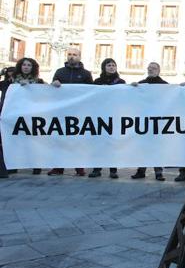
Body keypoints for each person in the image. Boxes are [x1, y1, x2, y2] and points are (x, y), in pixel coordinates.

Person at [48, 48, 93, 176]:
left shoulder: (86, 74)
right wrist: (54, 83)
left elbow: (90, 92)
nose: (71, 57)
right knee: (59, 139)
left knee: (77, 140)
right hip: (61, 111)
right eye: (69, 54)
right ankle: (58, 168)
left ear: (80, 57)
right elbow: (52, 90)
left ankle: (79, 167)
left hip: (78, 112)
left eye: (75, 54)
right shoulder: (59, 72)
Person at [88, 59, 125, 179]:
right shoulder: (97, 82)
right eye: (109, 65)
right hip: (100, 116)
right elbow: (92, 98)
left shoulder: (121, 82)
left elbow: (125, 97)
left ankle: (113, 170)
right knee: (98, 143)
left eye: (114, 65)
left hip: (114, 116)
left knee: (112, 143)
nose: (111, 67)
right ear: (104, 67)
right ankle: (97, 169)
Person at [130, 62, 167, 181]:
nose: (151, 70)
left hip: (158, 121)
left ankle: (158, 172)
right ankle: (141, 171)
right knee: (143, 146)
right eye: (149, 68)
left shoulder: (165, 85)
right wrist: (131, 88)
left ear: (158, 70)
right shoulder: (140, 84)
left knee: (157, 147)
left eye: (154, 68)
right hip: (144, 121)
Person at [13, 58, 46, 175]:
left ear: (33, 68)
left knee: (35, 142)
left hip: (34, 115)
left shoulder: (39, 82)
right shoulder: (11, 81)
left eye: (29, 65)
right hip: (16, 115)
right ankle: (14, 164)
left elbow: (47, 95)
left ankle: (36, 165)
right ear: (20, 67)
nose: (26, 67)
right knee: (16, 140)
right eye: (24, 65)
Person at [0, 66, 15, 178]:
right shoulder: (4, 83)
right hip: (5, 112)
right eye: (9, 72)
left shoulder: (22, 82)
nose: (11, 74)